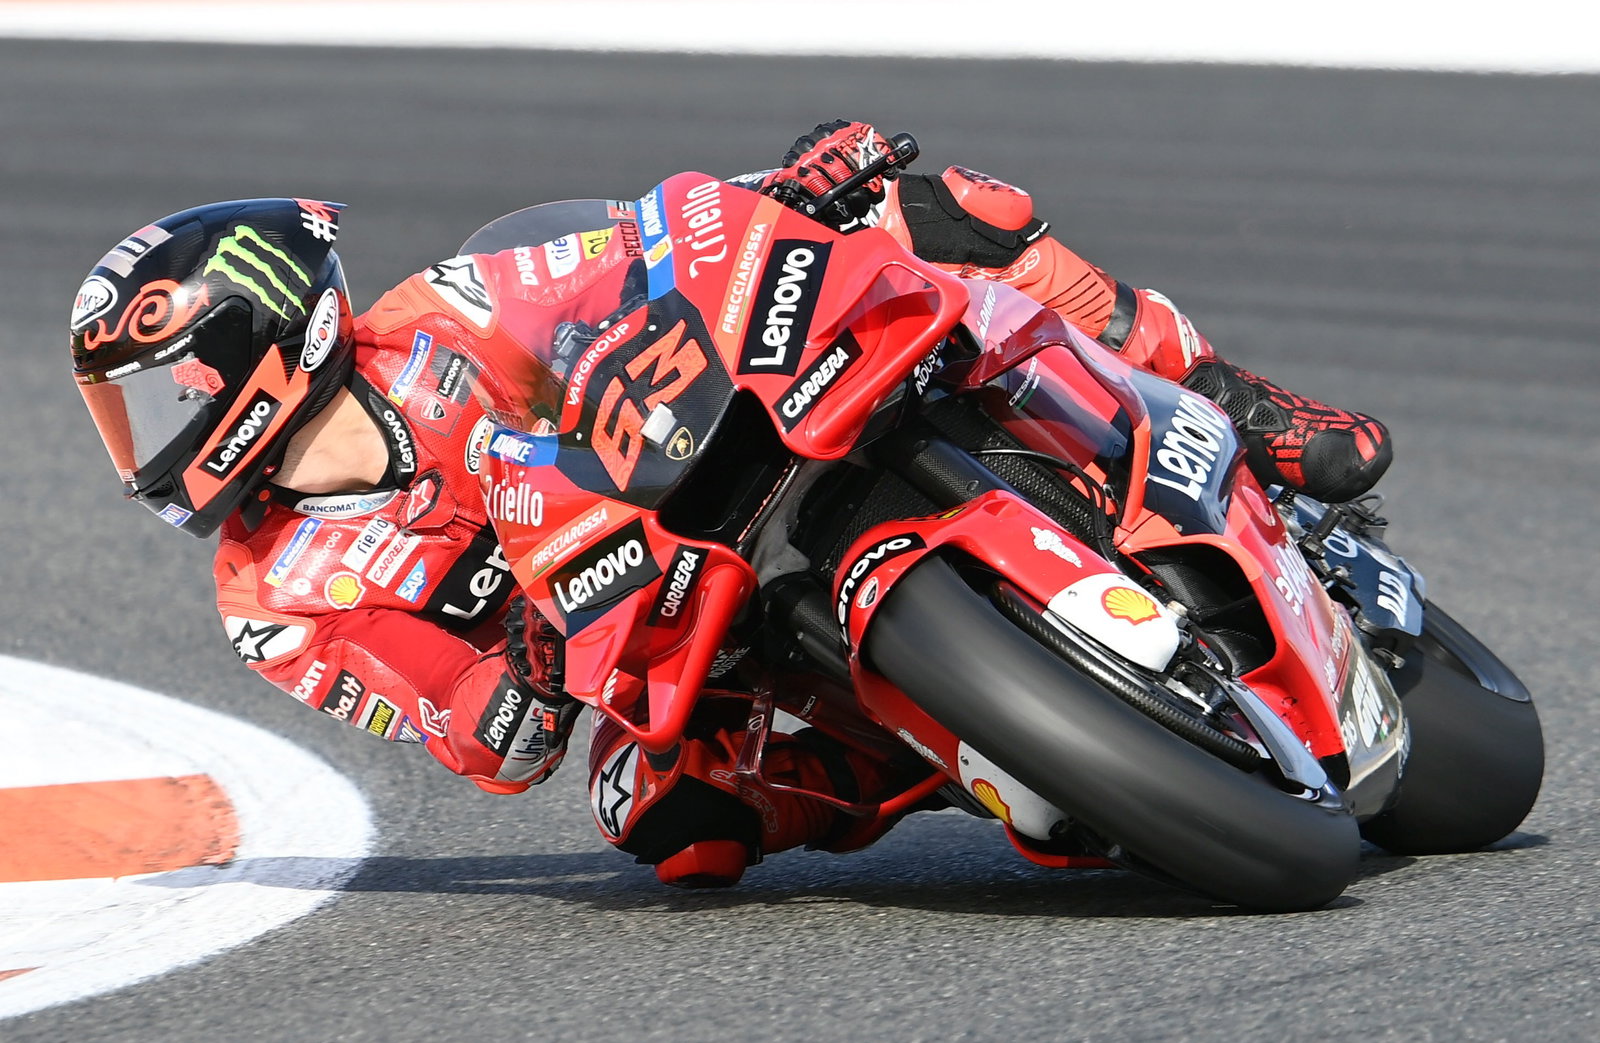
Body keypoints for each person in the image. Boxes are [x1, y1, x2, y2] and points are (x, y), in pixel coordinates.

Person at [68, 122, 1391, 888]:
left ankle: (1236, 404)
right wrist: (519, 678)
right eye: (136, 414)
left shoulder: (450, 314)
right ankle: (973, 755)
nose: (156, 438)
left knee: (939, 213)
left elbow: (641, 255)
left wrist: (782, 196)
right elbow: (484, 741)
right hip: (650, 632)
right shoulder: (277, 600)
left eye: (162, 397)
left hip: (718, 448)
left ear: (257, 338)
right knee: (660, 822)